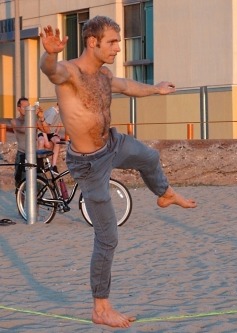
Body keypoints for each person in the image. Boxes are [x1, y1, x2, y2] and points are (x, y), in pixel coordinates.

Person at [40, 16, 197, 328]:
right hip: (88, 163)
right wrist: (50, 54)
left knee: (150, 156)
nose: (117, 48)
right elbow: (51, 70)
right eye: (112, 42)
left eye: (118, 41)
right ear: (92, 42)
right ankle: (101, 309)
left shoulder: (103, 74)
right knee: (108, 236)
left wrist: (155, 89)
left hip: (112, 143)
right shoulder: (69, 72)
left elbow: (126, 85)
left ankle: (164, 194)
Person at [11, 97, 50, 187]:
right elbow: (25, 130)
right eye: (25, 107)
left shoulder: (34, 120)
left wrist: (42, 118)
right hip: (22, 155)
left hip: (34, 154)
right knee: (21, 184)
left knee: (40, 183)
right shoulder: (15, 121)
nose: (28, 109)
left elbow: (47, 131)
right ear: (19, 108)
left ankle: (38, 200)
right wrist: (32, 116)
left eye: (28, 106)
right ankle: (21, 200)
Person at [37, 103, 62, 173]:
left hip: (50, 132)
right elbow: (44, 128)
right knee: (41, 141)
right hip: (42, 131)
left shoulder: (61, 112)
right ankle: (39, 164)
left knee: (57, 141)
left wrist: (56, 133)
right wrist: (47, 142)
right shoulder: (52, 113)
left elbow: (59, 123)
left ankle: (53, 165)